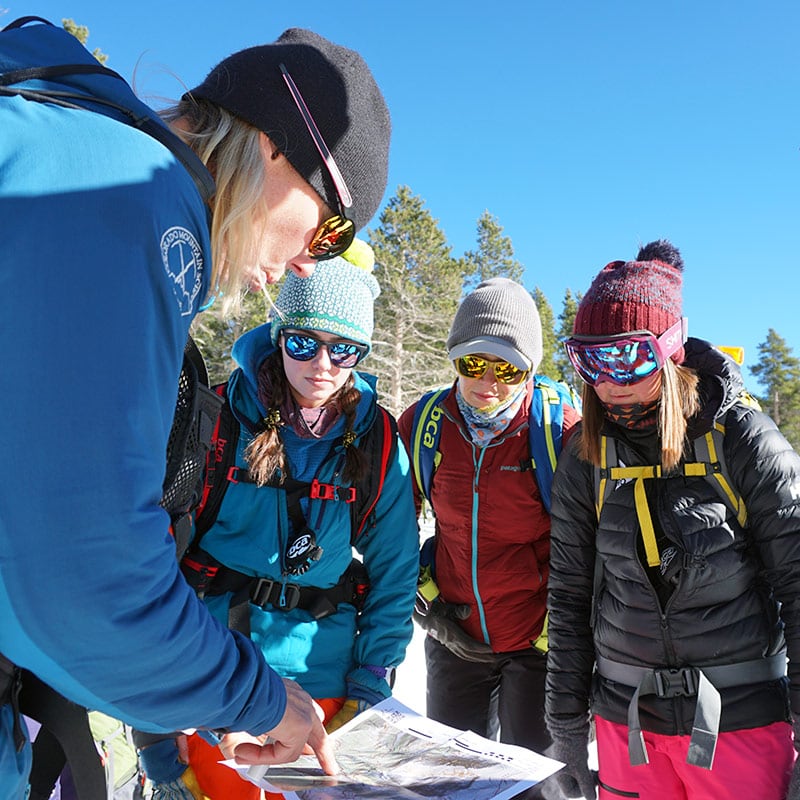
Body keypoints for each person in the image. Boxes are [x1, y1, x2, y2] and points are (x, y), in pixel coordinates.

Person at [0, 16, 391, 798]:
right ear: (279, 147)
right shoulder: (130, 199)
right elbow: (83, 579)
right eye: (331, 229)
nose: (296, 268)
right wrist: (251, 695)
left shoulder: (53, 141)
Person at [145, 250, 420, 799]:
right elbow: (152, 561)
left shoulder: (378, 441)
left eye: (343, 349)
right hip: (215, 678)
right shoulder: (215, 418)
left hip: (325, 679)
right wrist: (154, 718)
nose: (322, 364)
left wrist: (371, 681)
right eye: (304, 343)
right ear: (279, 336)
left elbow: (395, 569)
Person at [544, 240, 800, 800]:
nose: (609, 380)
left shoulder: (745, 442)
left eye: (628, 355)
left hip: (739, 721)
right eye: (590, 359)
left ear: (670, 349)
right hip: (625, 724)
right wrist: (564, 730)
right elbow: (568, 593)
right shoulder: (583, 456)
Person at [398, 278, 581, 790]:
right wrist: (425, 594)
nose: (489, 381)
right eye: (473, 362)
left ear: (529, 370)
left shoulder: (557, 432)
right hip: (456, 634)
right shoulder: (425, 423)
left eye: (508, 368)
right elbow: (392, 523)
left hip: (537, 642)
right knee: (451, 782)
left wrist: (558, 632)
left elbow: (588, 545)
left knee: (533, 784)